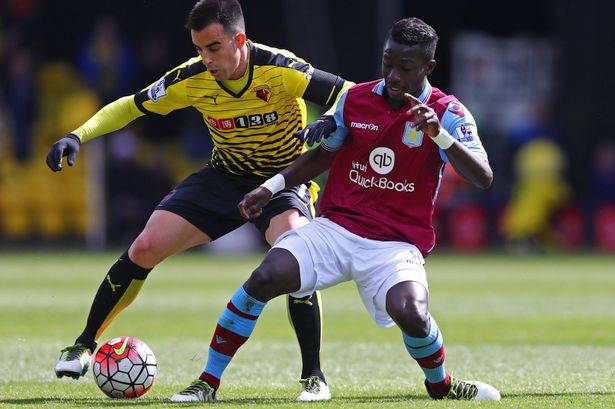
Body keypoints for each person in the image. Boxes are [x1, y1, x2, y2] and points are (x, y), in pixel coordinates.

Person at [171, 17, 501, 402]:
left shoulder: (448, 113)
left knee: (410, 311)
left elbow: (483, 177)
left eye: (405, 68)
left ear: (427, 68)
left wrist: (438, 135)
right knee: (264, 277)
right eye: (387, 63)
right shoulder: (356, 98)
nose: (393, 76)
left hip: (394, 244)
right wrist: (271, 187)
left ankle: (441, 385)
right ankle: (207, 382)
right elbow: (322, 156)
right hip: (336, 229)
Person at [47, 0, 351, 401]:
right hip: (224, 176)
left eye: (213, 48)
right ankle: (84, 344)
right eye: (199, 49)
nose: (205, 59)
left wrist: (332, 117)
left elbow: (350, 92)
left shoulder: (282, 69)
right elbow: (131, 106)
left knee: (294, 252)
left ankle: (313, 376)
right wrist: (78, 135)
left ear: (239, 40)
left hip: (282, 181)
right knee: (145, 246)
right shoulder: (191, 78)